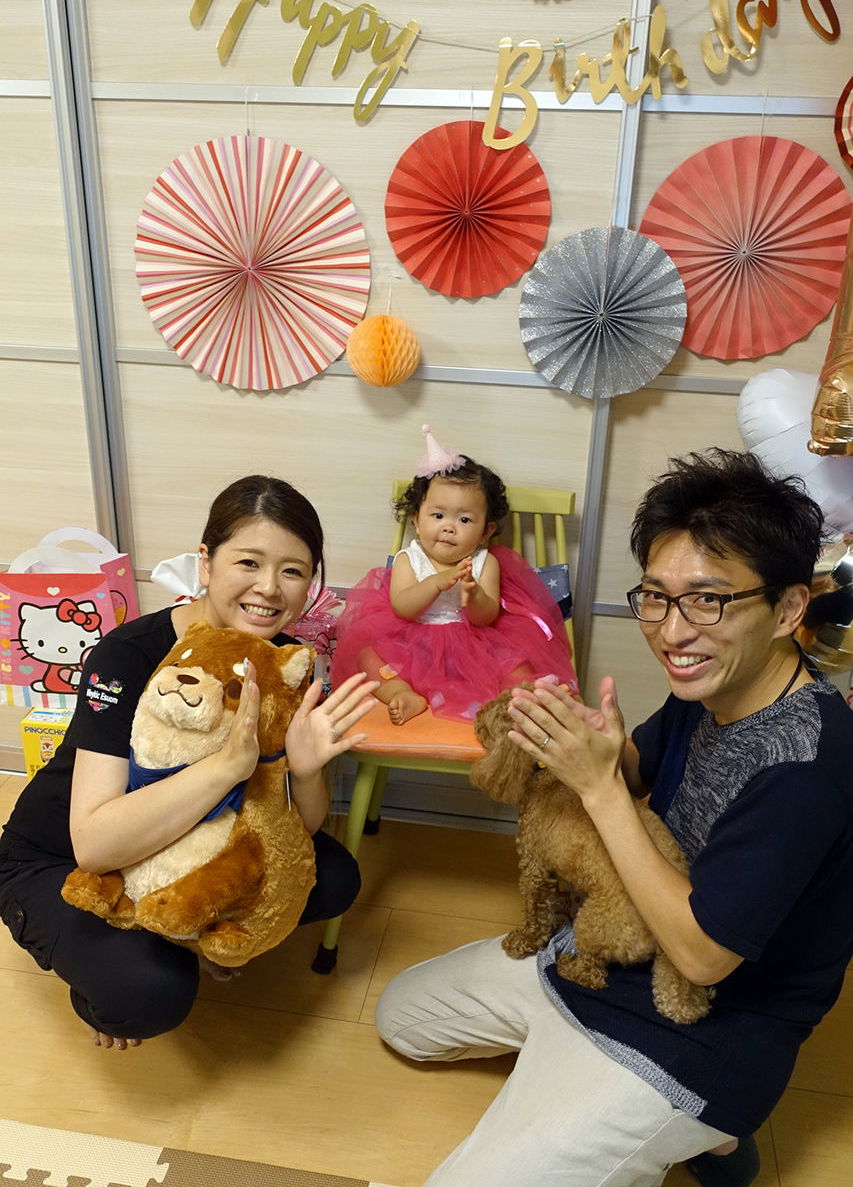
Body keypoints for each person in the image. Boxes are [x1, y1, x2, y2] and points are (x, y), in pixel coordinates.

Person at [375, 448, 853, 1187]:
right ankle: (567, 1069)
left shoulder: (808, 765)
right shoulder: (710, 689)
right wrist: (589, 744)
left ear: (788, 610)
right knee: (402, 1018)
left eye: (707, 600)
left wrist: (598, 790)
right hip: (608, 952)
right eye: (656, 597)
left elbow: (703, 958)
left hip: (704, 1027)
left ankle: (701, 1130)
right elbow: (637, 770)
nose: (672, 632)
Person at [0, 475, 377, 1050]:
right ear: (205, 562)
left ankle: (179, 930)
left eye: (293, 571)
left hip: (190, 842)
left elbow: (291, 829)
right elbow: (94, 846)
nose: (269, 588)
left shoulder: (282, 664)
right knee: (148, 992)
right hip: (62, 860)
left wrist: (303, 771)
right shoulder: (127, 656)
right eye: (248, 562)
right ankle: (103, 976)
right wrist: (227, 766)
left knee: (334, 878)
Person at [332, 424, 578, 724]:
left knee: (514, 663)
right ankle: (403, 693)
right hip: (414, 646)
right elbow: (403, 607)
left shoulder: (485, 562)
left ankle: (527, 695)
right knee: (368, 657)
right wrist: (435, 583)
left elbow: (486, 617)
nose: (449, 527)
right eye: (438, 515)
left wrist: (473, 595)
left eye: (464, 519)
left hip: (472, 646)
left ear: (486, 531)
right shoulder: (409, 559)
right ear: (417, 520)